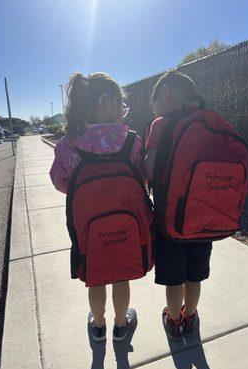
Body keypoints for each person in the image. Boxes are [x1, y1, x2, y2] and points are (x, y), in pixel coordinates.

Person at [50, 72, 153, 342]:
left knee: (95, 276)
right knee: (121, 275)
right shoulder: (130, 140)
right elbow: (141, 176)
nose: (123, 110)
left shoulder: (68, 144)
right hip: (127, 222)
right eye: (121, 103)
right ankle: (121, 325)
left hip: (89, 225)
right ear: (106, 101)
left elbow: (61, 182)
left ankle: (98, 326)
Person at [144, 70, 213, 340]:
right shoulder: (206, 122)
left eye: (154, 101)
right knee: (194, 275)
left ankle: (174, 321)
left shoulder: (160, 125)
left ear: (165, 93)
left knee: (173, 276)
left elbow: (150, 169)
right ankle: (191, 315)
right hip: (202, 217)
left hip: (169, 219)